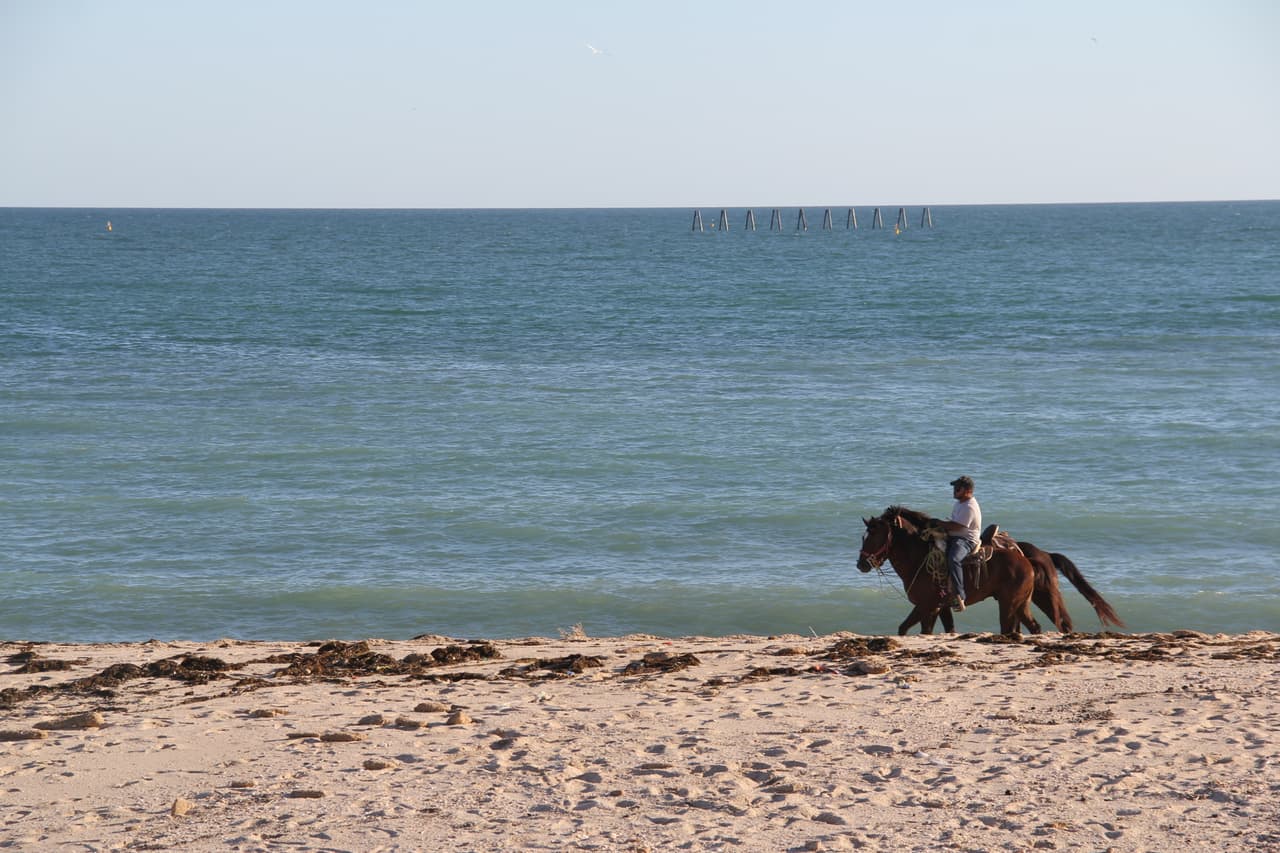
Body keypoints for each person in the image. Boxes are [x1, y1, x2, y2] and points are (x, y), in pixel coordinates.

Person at [936, 476, 981, 612]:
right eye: (954, 487)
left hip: (966, 540)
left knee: (953, 559)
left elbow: (957, 526)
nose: (954, 490)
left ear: (967, 490)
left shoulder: (969, 507)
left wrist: (939, 523)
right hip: (955, 536)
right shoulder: (960, 503)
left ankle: (960, 595)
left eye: (958, 488)